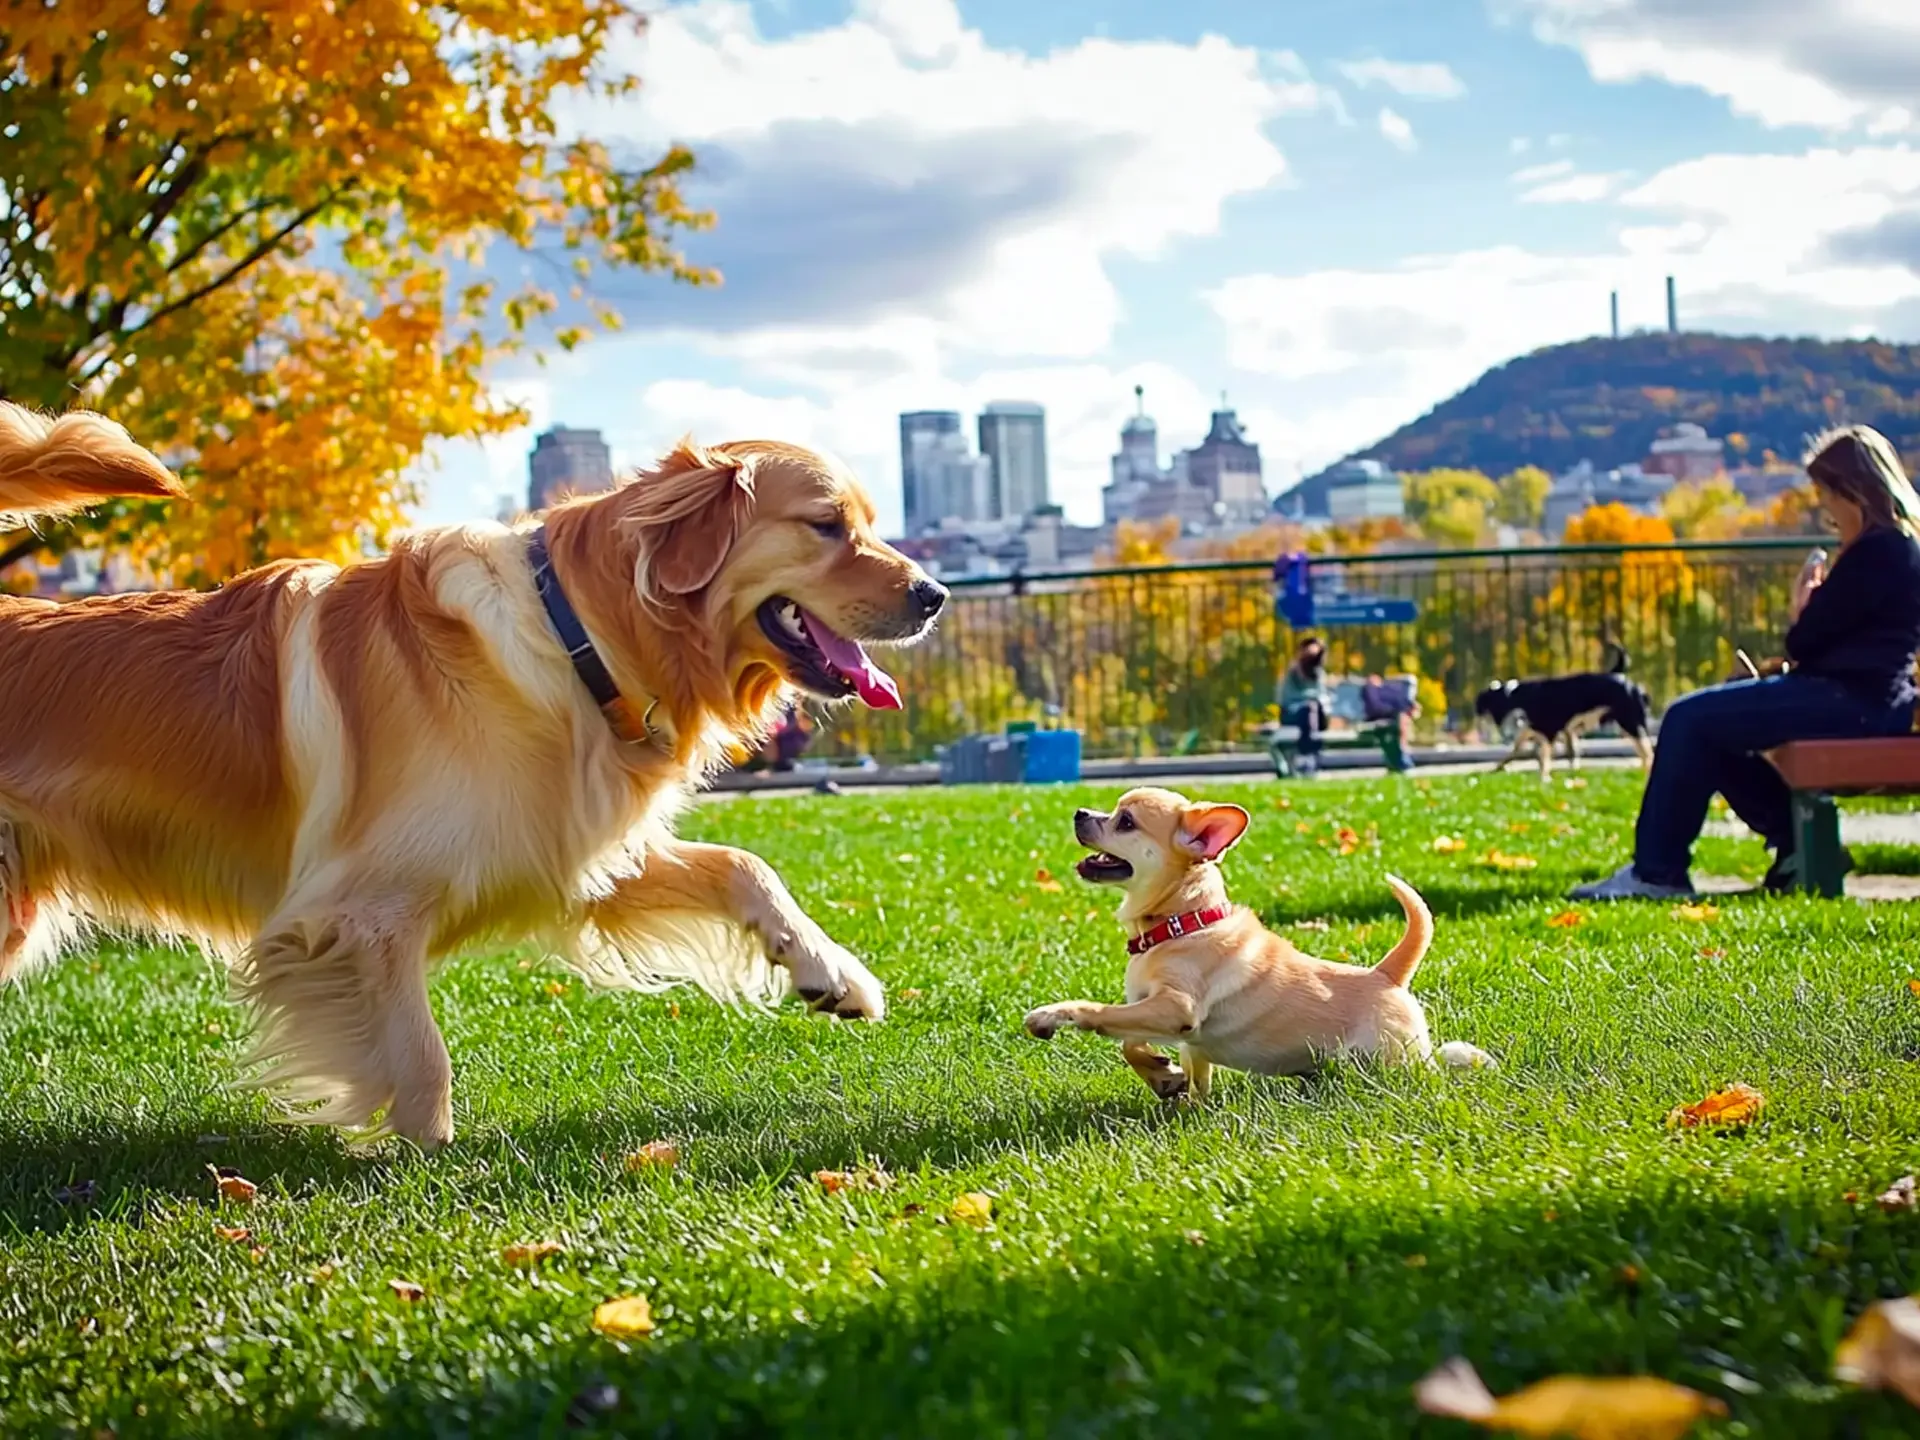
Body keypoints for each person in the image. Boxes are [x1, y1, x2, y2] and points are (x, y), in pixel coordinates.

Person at [1572, 425, 1920, 900]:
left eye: (1825, 495)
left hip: (1854, 701)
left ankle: (1657, 873)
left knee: (1687, 718)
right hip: (1863, 698)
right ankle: (1797, 845)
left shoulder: (1878, 551)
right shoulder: (1894, 548)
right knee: (1708, 732)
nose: (1825, 511)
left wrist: (1804, 606)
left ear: (1852, 491)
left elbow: (1809, 641)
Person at [1278, 636, 1332, 777]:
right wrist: (1309, 701)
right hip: (1292, 713)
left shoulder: (1319, 674)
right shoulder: (1293, 674)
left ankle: (1312, 758)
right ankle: (1306, 757)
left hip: (1314, 715)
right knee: (1309, 709)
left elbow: (1323, 696)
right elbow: (1286, 699)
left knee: (1313, 709)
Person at [1361, 672, 1419, 772]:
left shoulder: (1386, 691)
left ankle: (1401, 760)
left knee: (1401, 721)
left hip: (1390, 717)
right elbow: (1375, 707)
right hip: (1383, 717)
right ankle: (1402, 760)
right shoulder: (1371, 690)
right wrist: (1396, 711)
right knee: (1400, 721)